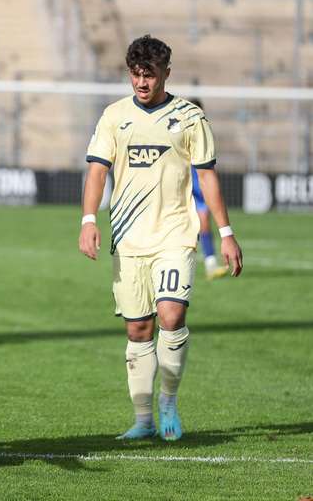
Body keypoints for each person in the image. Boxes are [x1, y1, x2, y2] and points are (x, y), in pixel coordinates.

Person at [78, 35, 243, 442]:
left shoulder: (190, 118)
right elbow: (98, 171)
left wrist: (226, 233)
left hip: (175, 235)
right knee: (138, 330)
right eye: (135, 74)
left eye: (149, 74)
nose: (141, 82)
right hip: (129, 239)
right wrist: (87, 220)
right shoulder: (114, 116)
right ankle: (143, 420)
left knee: (171, 316)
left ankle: (168, 401)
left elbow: (207, 176)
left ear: (166, 72)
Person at [188, 100, 229, 280]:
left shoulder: (204, 132)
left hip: (200, 186)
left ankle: (210, 264)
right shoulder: (178, 132)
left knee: (204, 222)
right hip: (184, 187)